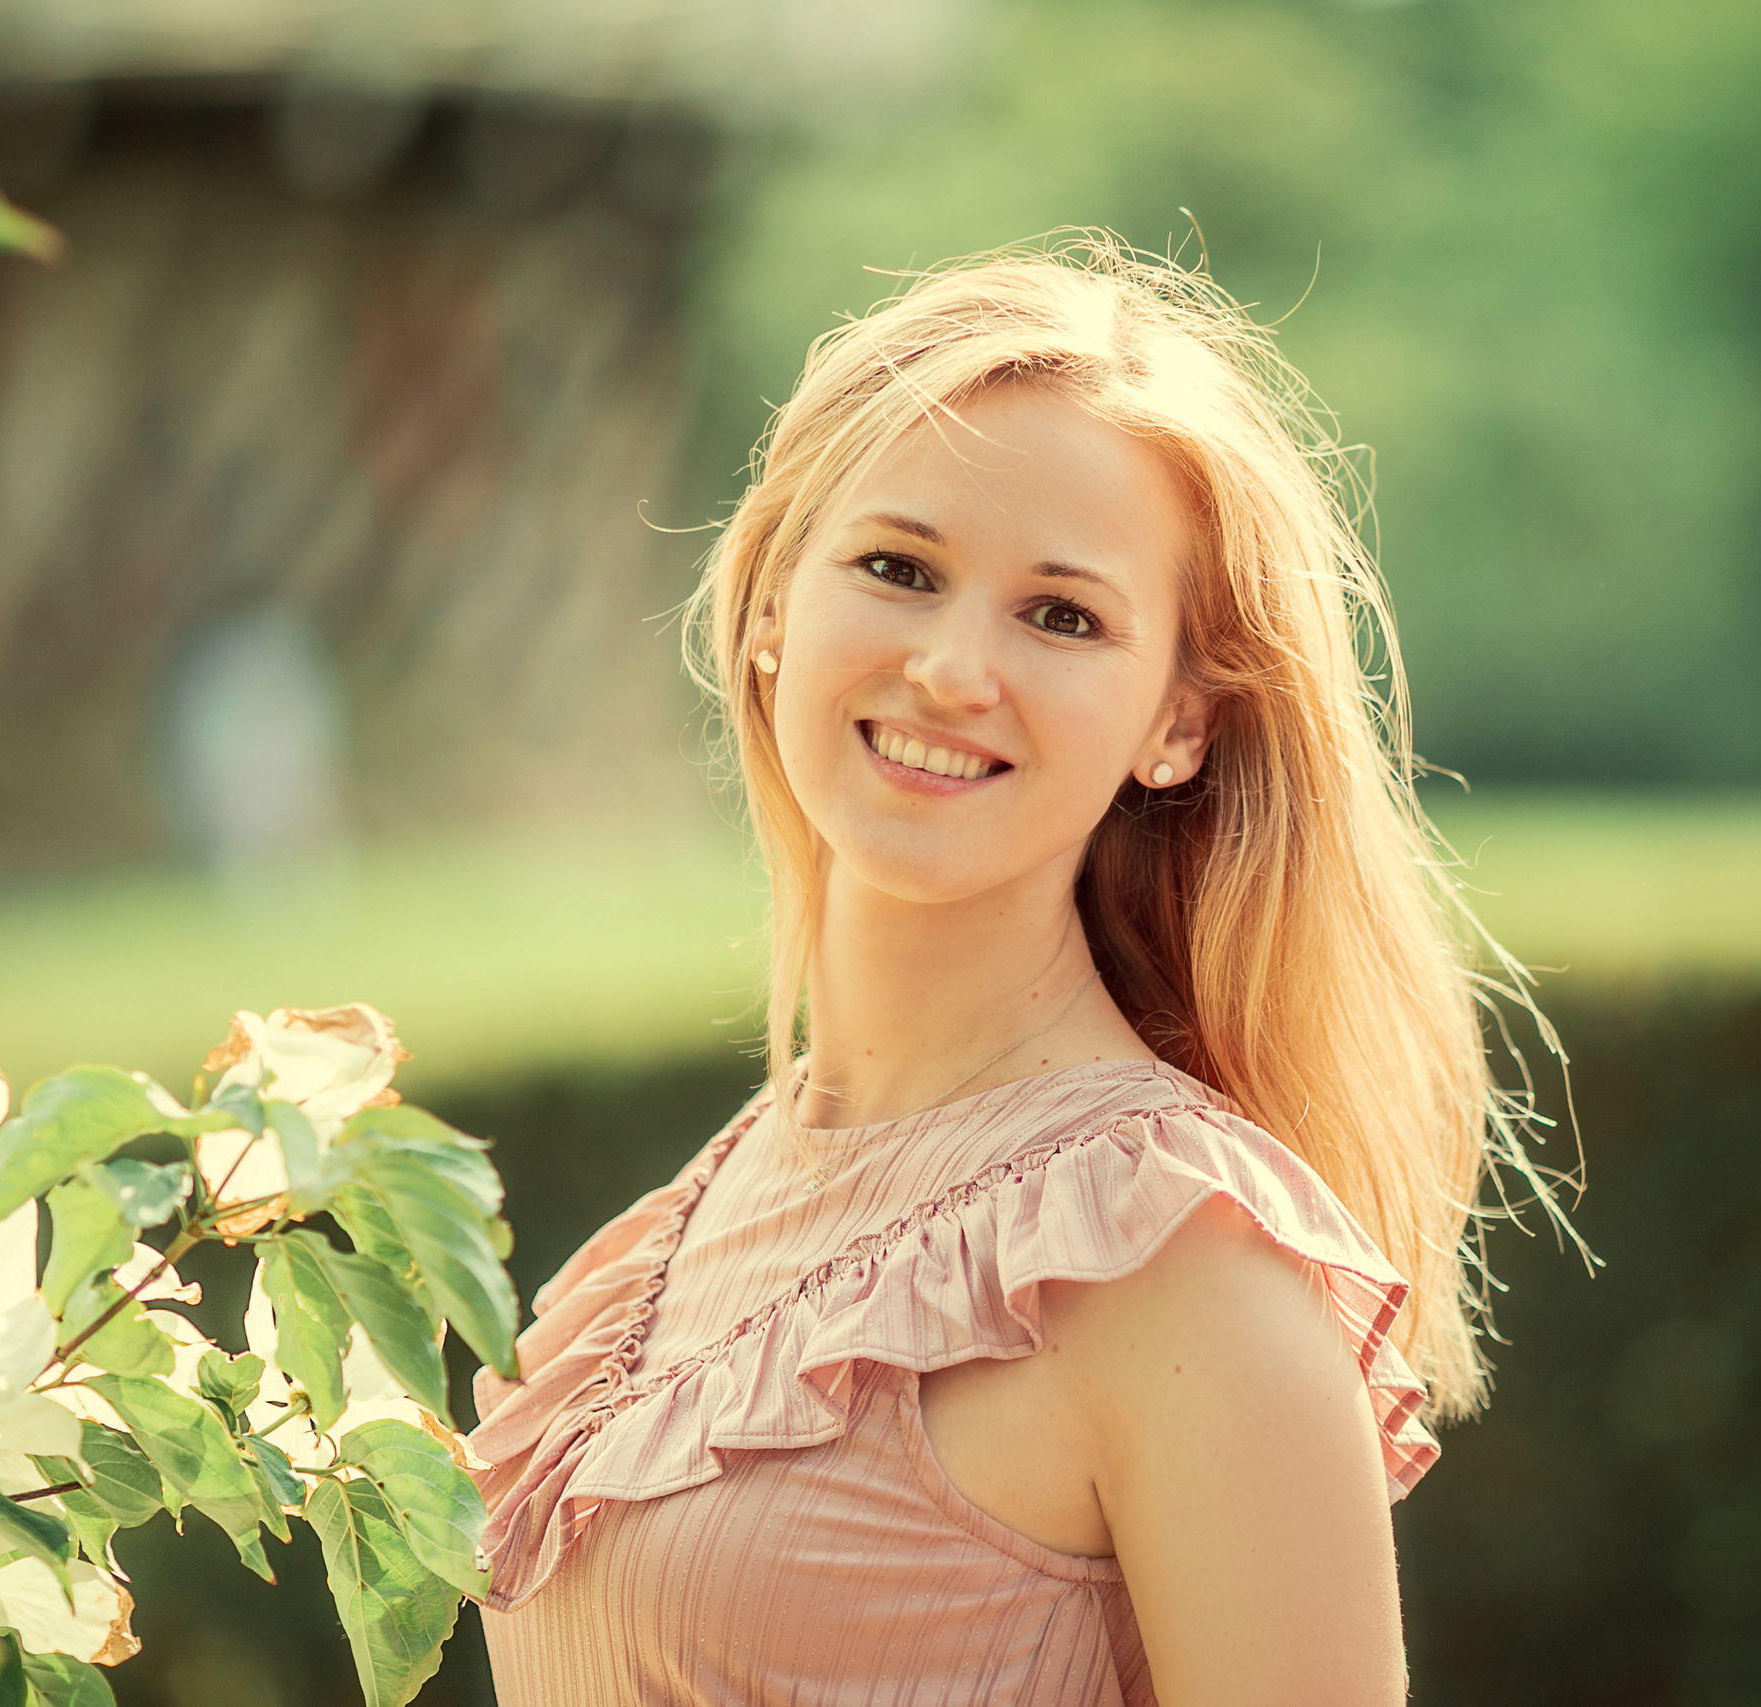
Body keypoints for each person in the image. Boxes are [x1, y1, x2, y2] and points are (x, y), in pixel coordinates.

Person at [465, 232, 1557, 1706]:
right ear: (775, 602)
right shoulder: (712, 1205)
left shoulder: (1181, 1260)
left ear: (1176, 720)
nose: (953, 668)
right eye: (899, 569)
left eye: (1061, 614)